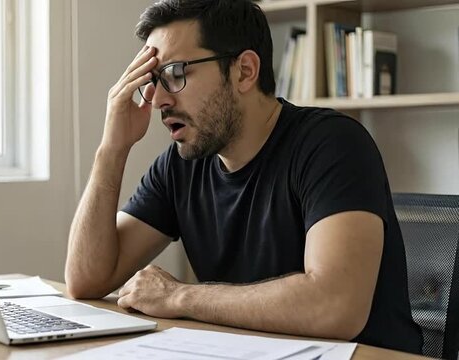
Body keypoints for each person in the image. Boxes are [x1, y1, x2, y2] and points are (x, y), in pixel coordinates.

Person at [65, 0, 422, 354]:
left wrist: (179, 296)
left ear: (245, 71)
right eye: (153, 80)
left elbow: (335, 306)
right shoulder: (180, 165)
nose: (157, 99)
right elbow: (86, 280)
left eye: (174, 73)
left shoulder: (333, 144)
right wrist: (112, 149)